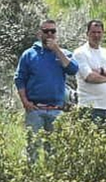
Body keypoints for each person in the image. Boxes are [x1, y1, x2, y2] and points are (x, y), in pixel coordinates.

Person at [14, 19, 78, 160]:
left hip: (56, 109)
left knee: (54, 152)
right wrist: (25, 101)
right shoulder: (29, 54)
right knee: (32, 150)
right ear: (39, 33)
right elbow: (19, 79)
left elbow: (73, 69)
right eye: (46, 31)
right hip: (35, 109)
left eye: (52, 31)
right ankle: (31, 178)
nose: (49, 34)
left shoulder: (63, 53)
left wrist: (57, 50)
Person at [68, 18, 106, 131]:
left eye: (99, 32)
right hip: (89, 108)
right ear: (87, 34)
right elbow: (90, 77)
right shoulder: (80, 53)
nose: (96, 35)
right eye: (93, 32)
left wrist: (102, 71)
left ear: (103, 34)